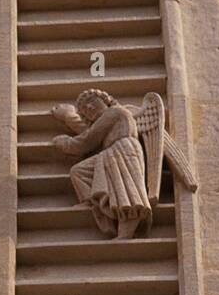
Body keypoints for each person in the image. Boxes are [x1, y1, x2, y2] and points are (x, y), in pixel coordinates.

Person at [55, 89, 152, 239]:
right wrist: (69, 117)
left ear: (106, 101)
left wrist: (66, 143)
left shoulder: (115, 112)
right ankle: (96, 204)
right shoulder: (107, 121)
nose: (90, 108)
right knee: (79, 171)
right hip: (110, 154)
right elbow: (93, 131)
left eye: (92, 102)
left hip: (123, 152)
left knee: (125, 190)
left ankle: (128, 226)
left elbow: (88, 140)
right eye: (85, 110)